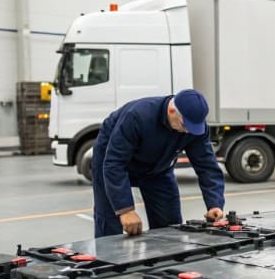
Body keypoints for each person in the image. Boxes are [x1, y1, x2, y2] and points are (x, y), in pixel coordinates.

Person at [92, 89, 225, 237]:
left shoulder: (194, 128)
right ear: (172, 110)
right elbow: (114, 164)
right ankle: (108, 256)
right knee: (110, 221)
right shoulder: (137, 116)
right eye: (184, 125)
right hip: (111, 160)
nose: (188, 131)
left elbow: (207, 166)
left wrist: (215, 204)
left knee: (169, 224)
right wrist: (125, 210)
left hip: (158, 167)